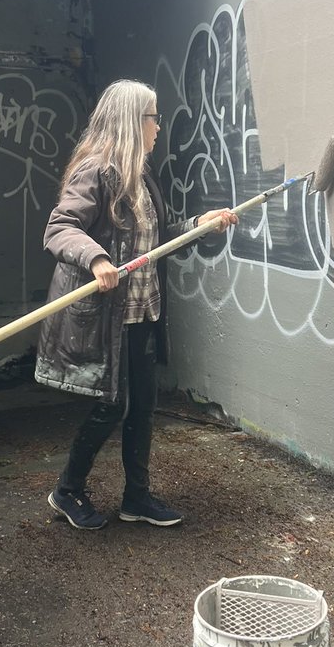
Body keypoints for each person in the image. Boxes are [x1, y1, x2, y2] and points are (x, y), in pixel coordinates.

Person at [35, 79, 237, 530]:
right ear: (133, 122)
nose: (160, 127)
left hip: (143, 310)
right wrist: (97, 258)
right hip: (108, 317)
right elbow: (60, 228)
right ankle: (67, 490)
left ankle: (137, 498)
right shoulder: (97, 171)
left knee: (142, 404)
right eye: (154, 118)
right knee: (112, 404)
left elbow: (155, 242)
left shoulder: (142, 175)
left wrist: (199, 225)